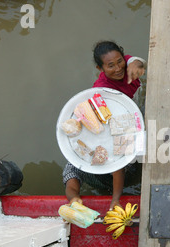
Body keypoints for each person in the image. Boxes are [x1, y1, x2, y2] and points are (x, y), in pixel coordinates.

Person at [63, 41, 146, 210]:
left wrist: (137, 64)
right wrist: (74, 198)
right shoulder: (100, 91)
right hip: (110, 175)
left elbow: (136, 61)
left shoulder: (126, 65)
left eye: (119, 62)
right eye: (110, 66)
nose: (117, 68)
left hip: (128, 108)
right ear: (100, 69)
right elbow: (71, 183)